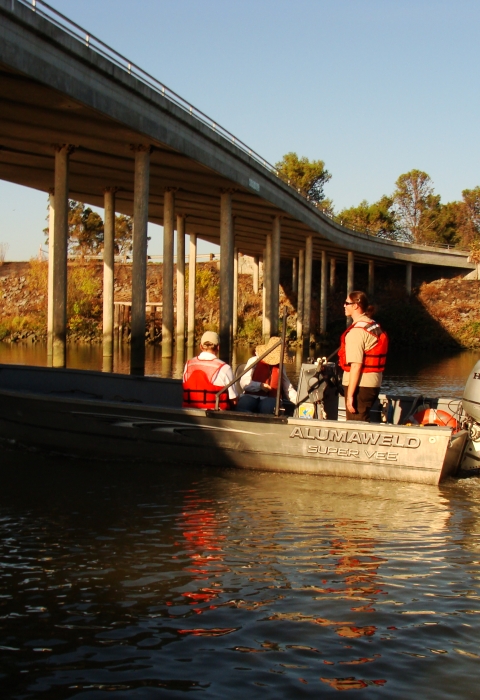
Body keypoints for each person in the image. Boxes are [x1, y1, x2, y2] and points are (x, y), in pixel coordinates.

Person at [338, 291, 388, 422]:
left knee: (355, 424)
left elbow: (356, 366)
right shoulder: (372, 325)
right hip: (373, 383)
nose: (344, 305)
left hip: (360, 385)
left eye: (347, 303)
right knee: (363, 419)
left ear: (356, 306)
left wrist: (350, 396)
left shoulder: (356, 332)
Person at [236, 336, 297, 414]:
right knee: (243, 404)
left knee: (267, 407)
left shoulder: (281, 366)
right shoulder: (254, 361)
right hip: (251, 396)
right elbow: (244, 383)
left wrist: (300, 400)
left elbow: (288, 388)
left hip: (271, 398)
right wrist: (260, 385)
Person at [182, 331, 237, 410]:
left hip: (189, 411)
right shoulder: (225, 368)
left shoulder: (188, 365)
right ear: (218, 347)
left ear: (201, 346)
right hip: (216, 414)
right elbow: (234, 401)